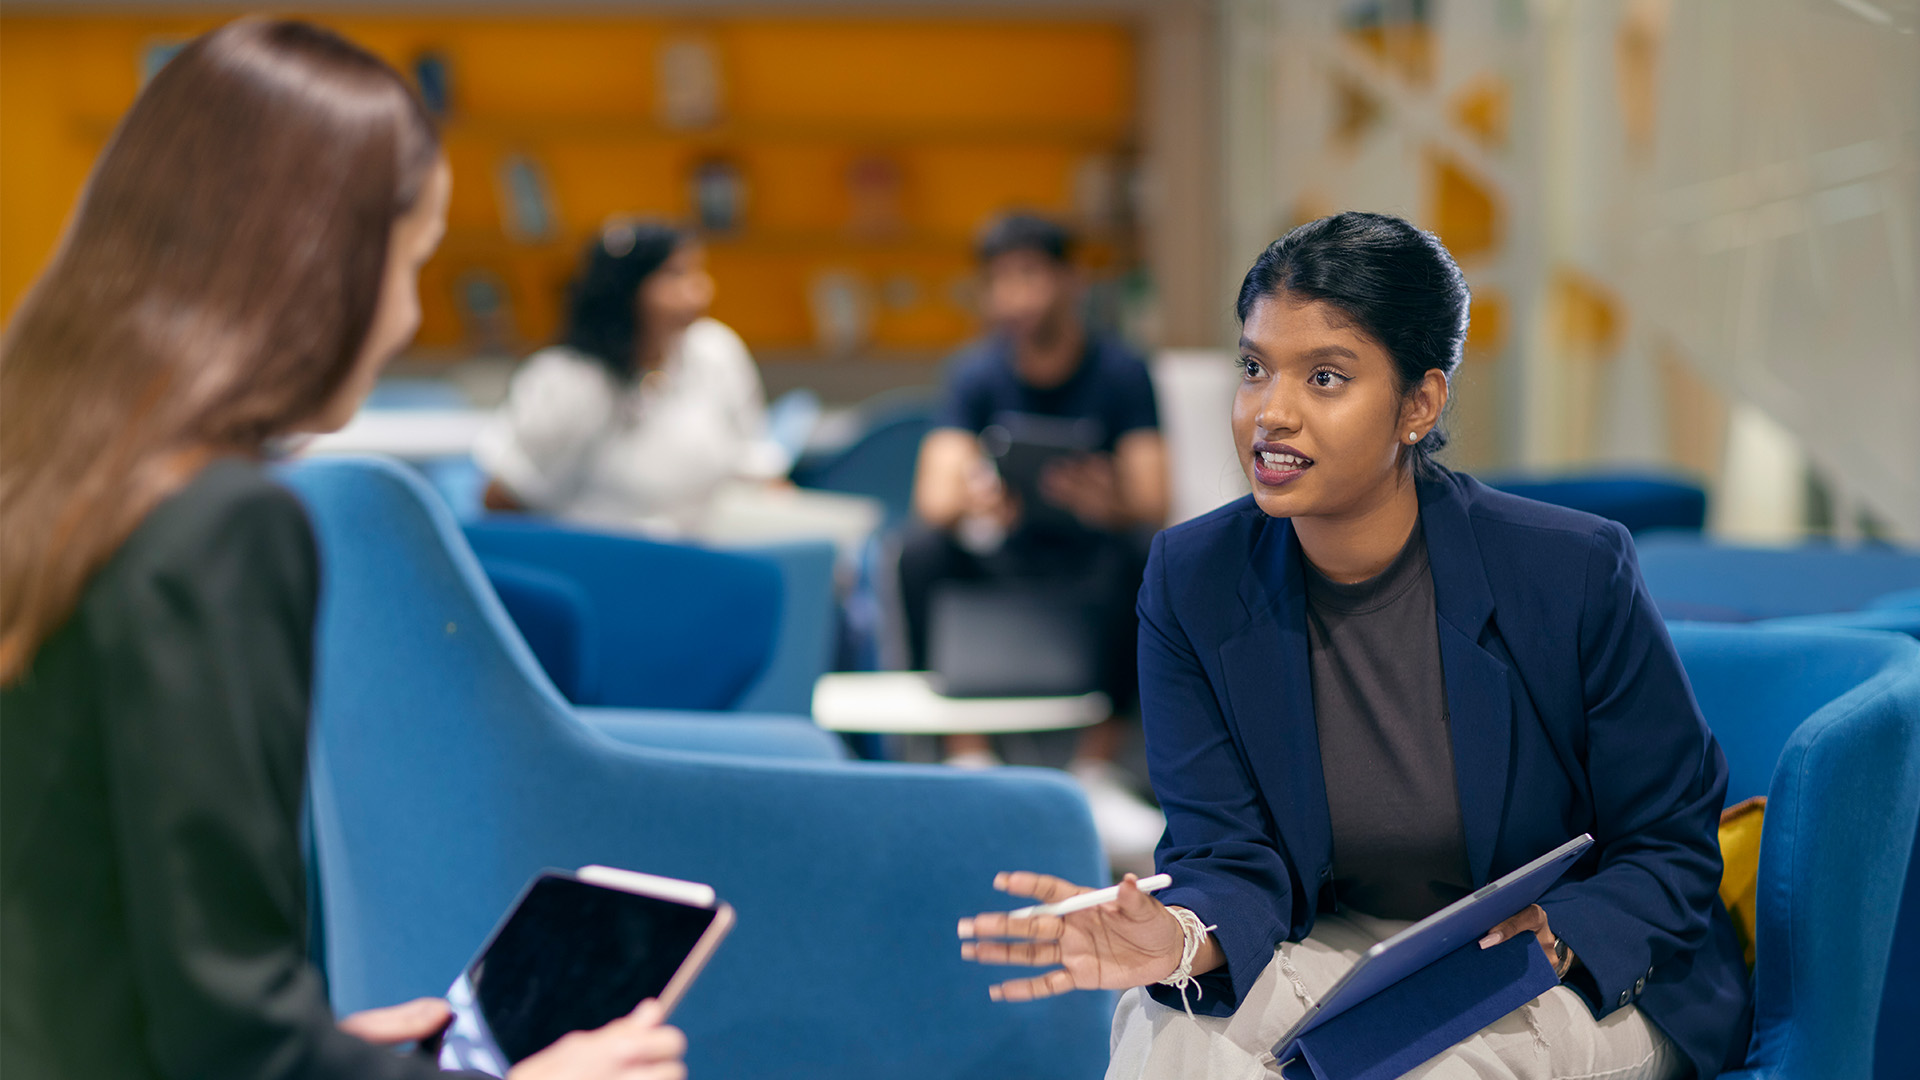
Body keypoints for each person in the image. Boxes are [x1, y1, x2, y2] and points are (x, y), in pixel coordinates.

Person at [0, 20, 686, 1080]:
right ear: (316, 256)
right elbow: (234, 1048)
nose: (407, 315)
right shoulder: (224, 529)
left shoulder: (54, 483)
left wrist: (332, 1050)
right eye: (409, 261)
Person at [956, 213, 1749, 1080]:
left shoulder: (1568, 569)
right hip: (1347, 951)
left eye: (1325, 377)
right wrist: (1183, 937)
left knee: (1432, 1069)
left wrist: (1561, 938)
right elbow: (1226, 856)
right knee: (1168, 1038)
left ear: (1419, 403)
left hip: (1564, 963)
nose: (1272, 412)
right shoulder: (1193, 580)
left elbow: (1670, 844)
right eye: (1254, 368)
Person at [901, 212, 1170, 867]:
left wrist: (1102, 498)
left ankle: (1095, 769)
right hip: (1007, 552)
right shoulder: (976, 374)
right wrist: (980, 493)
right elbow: (933, 500)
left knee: (1149, 553)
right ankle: (968, 755)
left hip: (1090, 557)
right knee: (917, 551)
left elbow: (1155, 498)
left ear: (1070, 280)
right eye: (999, 282)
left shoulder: (1120, 372)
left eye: (1028, 277)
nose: (1013, 298)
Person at [475, 221, 791, 535]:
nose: (700, 291)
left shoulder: (714, 352)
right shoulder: (565, 380)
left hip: (705, 557)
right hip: (603, 563)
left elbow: (755, 465)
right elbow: (504, 498)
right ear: (625, 288)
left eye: (697, 272)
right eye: (675, 275)